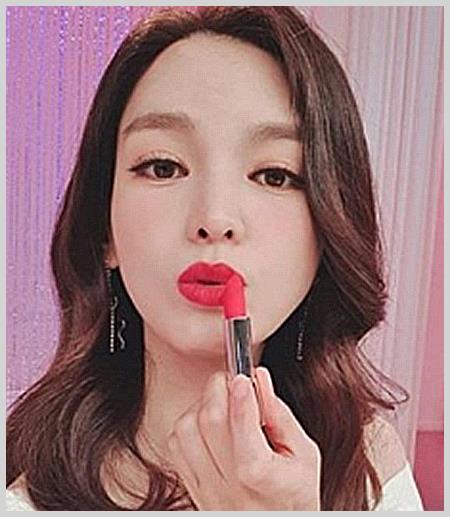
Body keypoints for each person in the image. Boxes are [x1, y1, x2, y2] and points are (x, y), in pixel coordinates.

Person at [6, 6, 424, 511]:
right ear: (104, 231)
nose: (215, 218)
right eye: (163, 166)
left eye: (274, 175)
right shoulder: (28, 498)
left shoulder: (371, 465)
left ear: (326, 231)